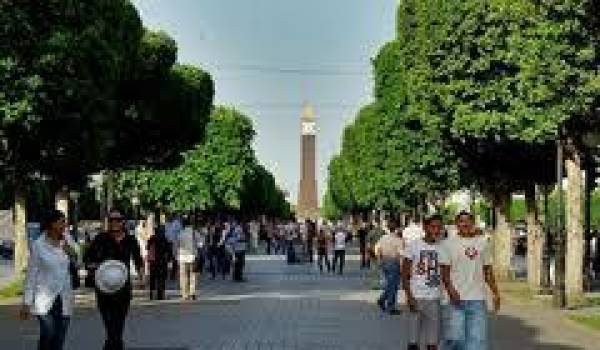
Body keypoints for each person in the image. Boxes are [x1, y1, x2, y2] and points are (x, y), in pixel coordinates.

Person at [440, 211, 500, 350]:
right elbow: (444, 273)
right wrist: (451, 290)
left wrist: (495, 293)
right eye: (461, 221)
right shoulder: (447, 244)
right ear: (456, 224)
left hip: (477, 299)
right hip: (454, 300)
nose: (465, 224)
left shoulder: (483, 243)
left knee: (477, 342)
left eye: (468, 221)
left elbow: (488, 270)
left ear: (473, 223)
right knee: (455, 340)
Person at [84, 209, 144, 350]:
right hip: (104, 288)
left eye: (118, 219)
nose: (115, 223)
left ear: (123, 221)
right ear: (108, 222)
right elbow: (87, 259)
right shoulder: (101, 238)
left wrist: (143, 277)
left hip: (123, 289)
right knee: (111, 327)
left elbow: (138, 260)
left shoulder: (130, 240)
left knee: (118, 327)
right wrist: (97, 266)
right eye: (111, 220)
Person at [21, 209, 79, 350]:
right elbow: (31, 275)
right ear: (51, 225)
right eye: (62, 222)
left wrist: (70, 251)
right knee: (48, 333)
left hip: (64, 296)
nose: (65, 225)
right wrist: (26, 302)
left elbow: (78, 259)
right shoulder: (38, 246)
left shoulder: (67, 239)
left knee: (59, 338)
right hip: (45, 298)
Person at [402, 215, 443, 350]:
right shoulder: (414, 246)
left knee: (433, 342)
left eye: (439, 227)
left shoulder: (444, 246)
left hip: (434, 298)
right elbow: (405, 274)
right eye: (433, 227)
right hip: (417, 297)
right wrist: (409, 296)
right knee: (413, 341)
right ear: (425, 228)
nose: (436, 230)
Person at [375, 218, 404, 315]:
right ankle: (389, 305)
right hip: (393, 262)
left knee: (390, 284)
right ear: (396, 228)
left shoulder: (383, 238)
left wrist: (379, 260)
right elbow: (400, 254)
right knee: (393, 285)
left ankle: (383, 300)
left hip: (384, 261)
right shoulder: (398, 240)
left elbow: (377, 249)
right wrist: (402, 266)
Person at [146, 225, 172, 300]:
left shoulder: (151, 238)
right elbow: (168, 250)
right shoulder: (164, 239)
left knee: (153, 278)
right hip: (162, 261)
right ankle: (160, 295)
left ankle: (152, 294)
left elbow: (147, 247)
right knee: (161, 279)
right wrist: (169, 260)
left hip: (153, 262)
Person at [178, 217, 198, 300]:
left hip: (182, 257)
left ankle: (184, 294)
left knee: (183, 276)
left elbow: (178, 245)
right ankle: (192, 292)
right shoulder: (194, 233)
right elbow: (201, 243)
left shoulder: (180, 233)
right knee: (193, 275)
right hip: (192, 257)